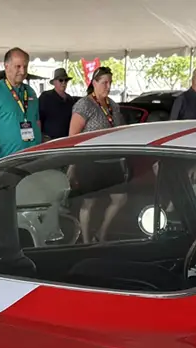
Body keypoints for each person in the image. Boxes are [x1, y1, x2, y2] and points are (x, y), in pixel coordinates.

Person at [68, 67, 127, 242]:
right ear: (94, 83)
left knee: (121, 198)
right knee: (89, 202)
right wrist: (72, 164)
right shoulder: (84, 105)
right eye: (104, 83)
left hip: (112, 160)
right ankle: (86, 241)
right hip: (90, 162)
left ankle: (102, 231)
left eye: (110, 83)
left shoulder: (112, 105)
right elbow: (73, 137)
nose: (107, 87)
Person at [0, 48, 41, 159]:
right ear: (6, 66)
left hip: (34, 158)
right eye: (18, 66)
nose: (22, 71)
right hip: (9, 162)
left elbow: (37, 122)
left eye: (25, 66)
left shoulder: (30, 91)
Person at [39, 68, 76, 139]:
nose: (64, 83)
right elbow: (38, 118)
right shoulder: (46, 97)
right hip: (49, 139)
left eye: (66, 80)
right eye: (61, 80)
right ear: (54, 82)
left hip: (66, 139)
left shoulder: (70, 99)